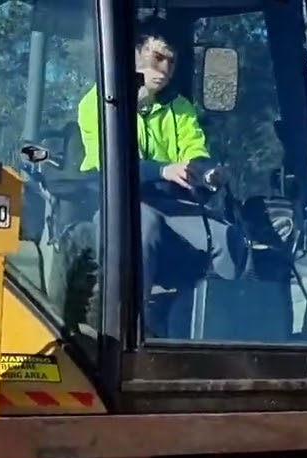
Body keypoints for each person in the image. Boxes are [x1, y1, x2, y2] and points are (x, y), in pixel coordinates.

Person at [75, 16, 242, 335]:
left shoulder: (180, 108)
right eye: (157, 57)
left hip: (173, 205)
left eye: (171, 62)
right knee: (143, 228)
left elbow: (195, 150)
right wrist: (162, 169)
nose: (164, 69)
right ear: (135, 53)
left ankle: (212, 334)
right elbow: (108, 164)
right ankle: (127, 329)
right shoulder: (98, 102)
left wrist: (208, 174)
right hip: (117, 202)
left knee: (225, 238)